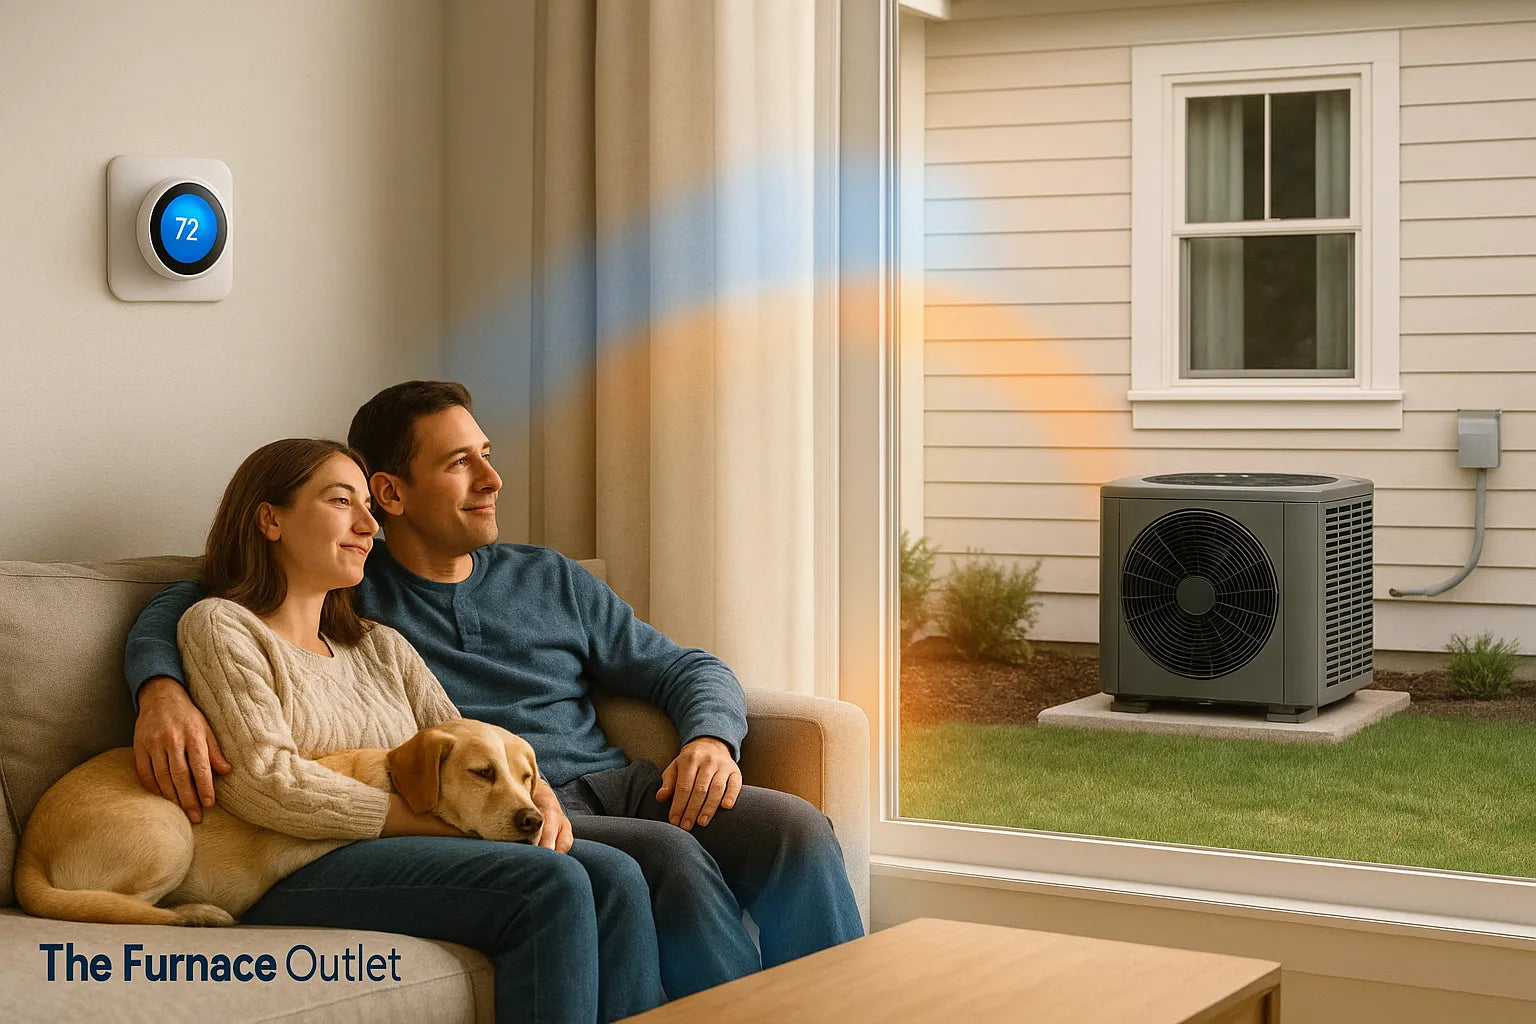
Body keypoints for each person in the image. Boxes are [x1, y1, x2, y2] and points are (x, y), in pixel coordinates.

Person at [126, 381, 864, 1002]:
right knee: (664, 858)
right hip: (503, 803)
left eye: (486, 455)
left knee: (795, 830)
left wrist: (710, 736)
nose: (491, 478)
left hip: (621, 785)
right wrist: (159, 687)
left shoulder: (548, 578)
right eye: (459, 462)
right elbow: (202, 594)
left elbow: (684, 667)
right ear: (393, 494)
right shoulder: (350, 587)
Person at [146, 436, 662, 1024]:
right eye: (343, 502)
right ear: (270, 519)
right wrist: (442, 820)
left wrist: (537, 797)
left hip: (394, 847)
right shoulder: (224, 626)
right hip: (291, 860)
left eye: (369, 506)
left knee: (618, 875)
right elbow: (265, 783)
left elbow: (465, 735)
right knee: (547, 885)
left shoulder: (380, 645)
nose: (370, 523)